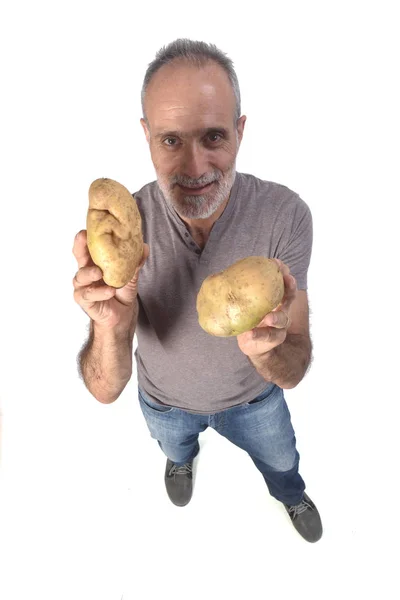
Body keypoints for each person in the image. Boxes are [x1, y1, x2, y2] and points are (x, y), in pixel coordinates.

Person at [72, 39, 322, 543]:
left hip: (257, 404)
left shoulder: (285, 215)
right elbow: (104, 388)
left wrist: (270, 352)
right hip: (163, 404)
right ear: (145, 136)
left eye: (213, 136)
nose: (193, 167)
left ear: (241, 130)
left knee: (280, 458)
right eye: (170, 141)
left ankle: (289, 492)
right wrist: (111, 325)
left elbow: (293, 370)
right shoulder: (127, 227)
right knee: (175, 447)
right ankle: (181, 462)